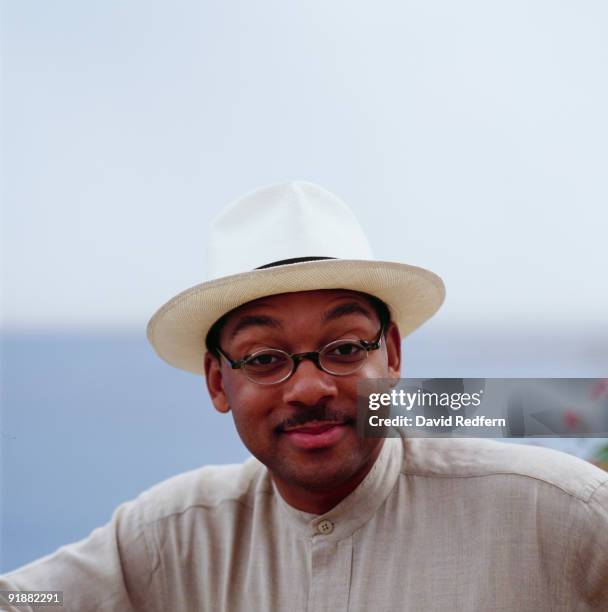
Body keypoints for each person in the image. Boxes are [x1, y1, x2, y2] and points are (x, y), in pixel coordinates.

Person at [1, 181, 607, 611]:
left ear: (391, 355)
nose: (310, 387)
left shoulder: (555, 513)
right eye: (265, 360)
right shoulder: (175, 537)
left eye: (344, 349)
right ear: (218, 381)